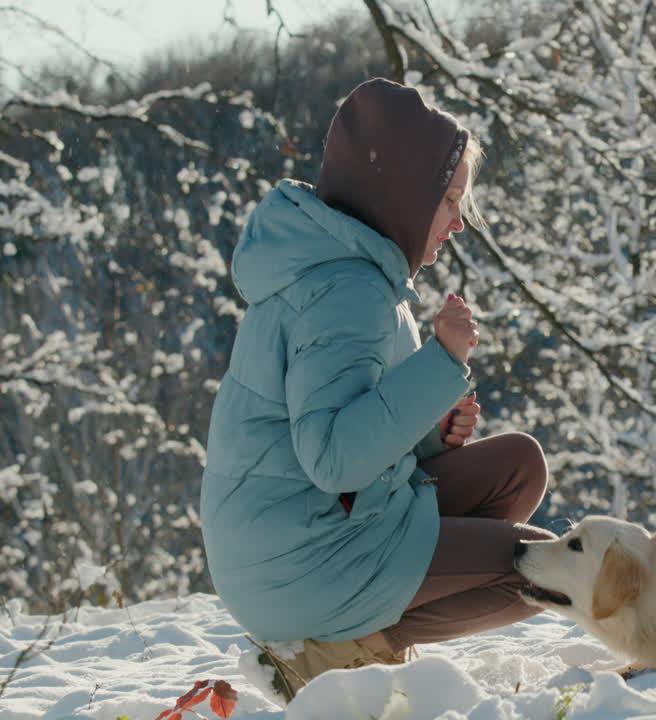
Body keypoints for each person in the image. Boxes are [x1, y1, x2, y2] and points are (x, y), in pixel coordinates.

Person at [199, 77, 555, 702]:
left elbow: (344, 431)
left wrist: (431, 434)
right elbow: (336, 458)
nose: (457, 224)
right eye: (449, 201)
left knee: (519, 467)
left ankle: (351, 633)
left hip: (302, 536)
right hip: (305, 560)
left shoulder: (352, 272)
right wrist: (440, 362)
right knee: (552, 571)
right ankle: (336, 650)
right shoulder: (348, 291)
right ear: (405, 196)